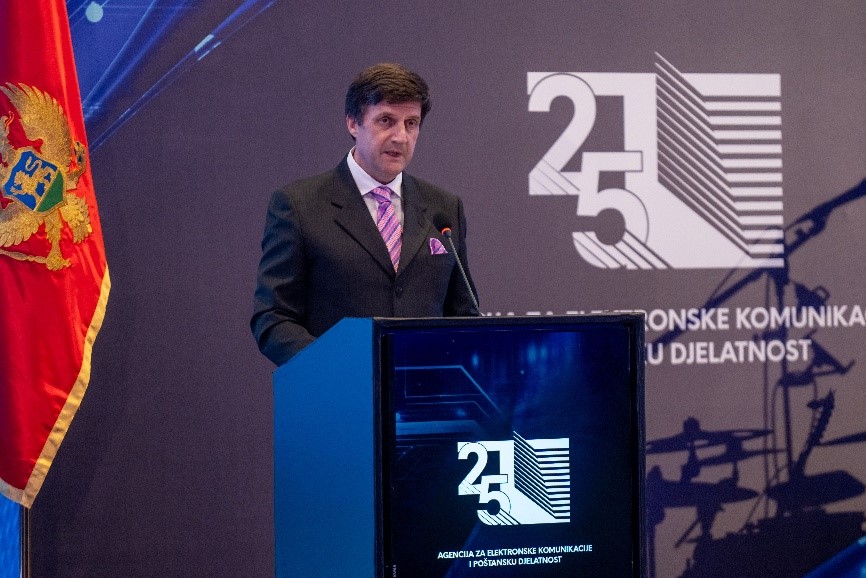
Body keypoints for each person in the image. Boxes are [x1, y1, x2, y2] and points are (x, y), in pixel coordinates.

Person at [251, 63, 479, 366]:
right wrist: (334, 367)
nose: (401, 137)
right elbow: (273, 317)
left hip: (424, 388)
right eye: (386, 121)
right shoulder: (299, 206)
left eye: (411, 123)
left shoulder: (444, 208)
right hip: (337, 387)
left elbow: (463, 315)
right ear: (353, 123)